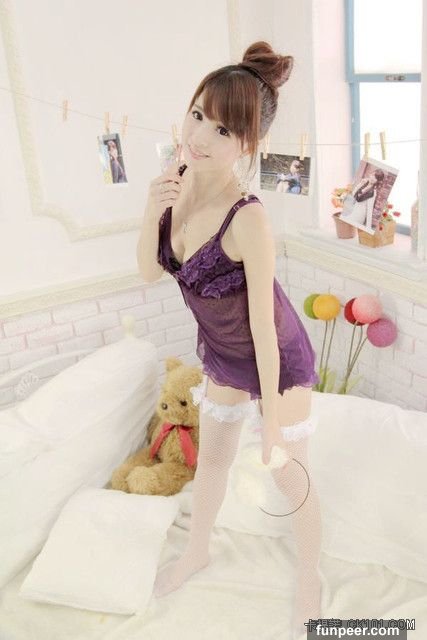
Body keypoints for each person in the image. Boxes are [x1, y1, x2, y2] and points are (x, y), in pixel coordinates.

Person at [137, 40, 322, 639]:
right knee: (213, 458)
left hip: (276, 358)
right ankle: (197, 551)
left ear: (248, 142)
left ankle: (311, 576)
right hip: (221, 352)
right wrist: (151, 209)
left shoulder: (248, 217)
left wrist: (270, 421)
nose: (200, 136)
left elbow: (265, 326)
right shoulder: (176, 183)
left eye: (222, 129)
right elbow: (148, 271)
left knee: (289, 470)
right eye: (197, 115)